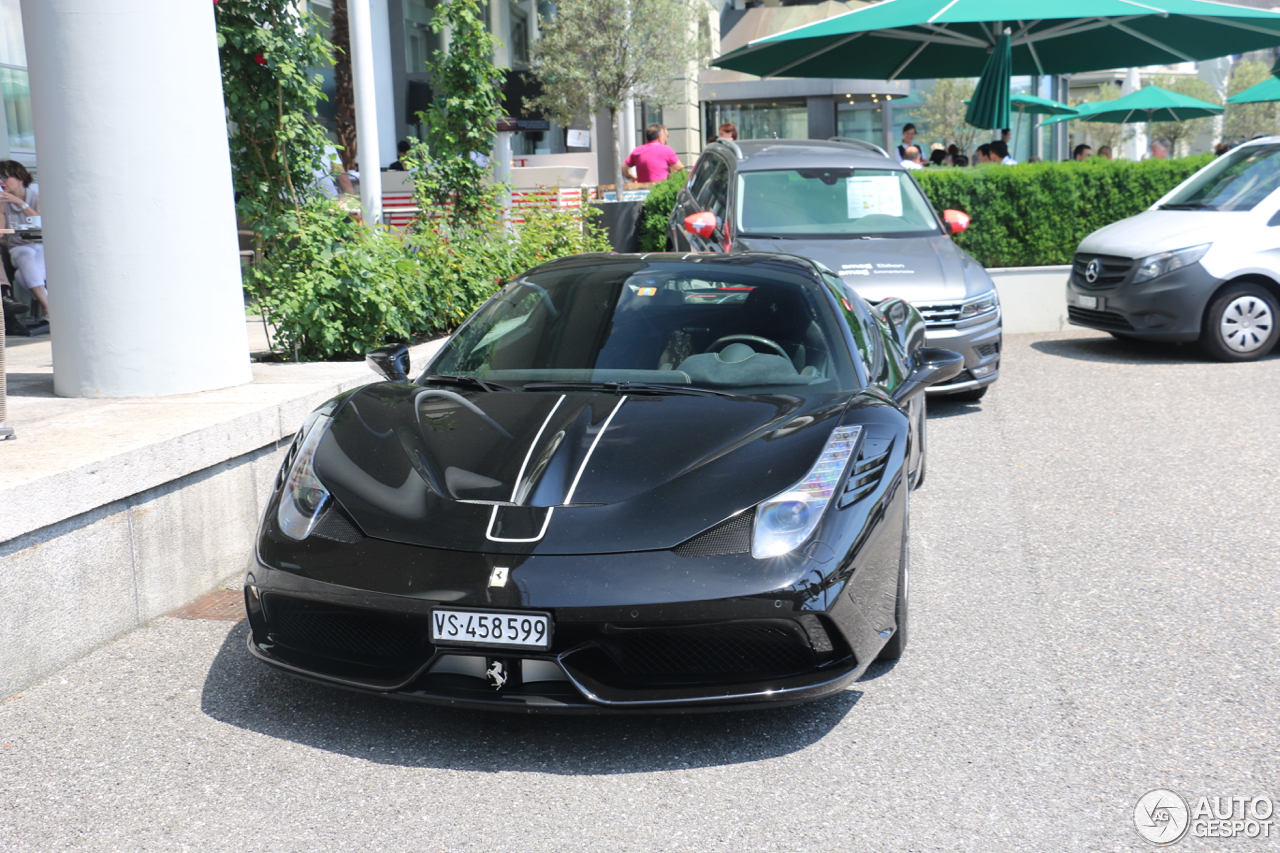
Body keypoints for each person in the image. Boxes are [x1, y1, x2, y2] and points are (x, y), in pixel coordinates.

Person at [0, 160, 50, 320]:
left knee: (23, 275)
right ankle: (48, 307)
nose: (1, 182)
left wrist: (20, 203)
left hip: (42, 247)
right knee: (24, 257)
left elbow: (43, 223)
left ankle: (48, 309)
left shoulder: (37, 196)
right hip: (18, 247)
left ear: (20, 178)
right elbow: (1, 231)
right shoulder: (2, 202)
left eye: (5, 177)